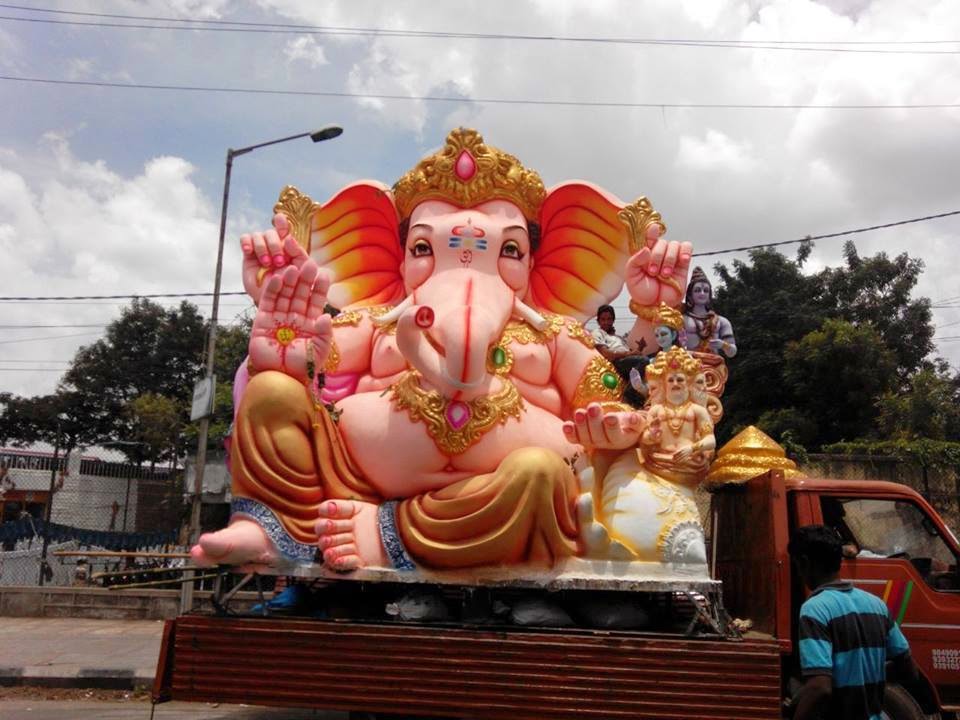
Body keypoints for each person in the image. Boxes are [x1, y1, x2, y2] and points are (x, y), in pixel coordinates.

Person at [789, 525, 925, 720]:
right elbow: (909, 671)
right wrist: (866, 672)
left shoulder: (814, 610)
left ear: (805, 563)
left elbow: (820, 688)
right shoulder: (877, 605)